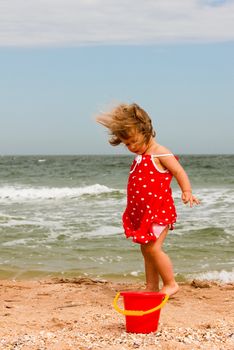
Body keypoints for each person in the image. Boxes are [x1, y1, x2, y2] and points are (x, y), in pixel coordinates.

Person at [96, 103, 200, 296]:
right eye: (126, 144)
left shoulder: (160, 152)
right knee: (146, 250)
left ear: (145, 131)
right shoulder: (141, 155)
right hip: (144, 213)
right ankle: (151, 287)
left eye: (133, 141)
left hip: (158, 212)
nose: (131, 147)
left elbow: (178, 170)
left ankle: (171, 283)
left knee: (153, 249)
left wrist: (187, 190)